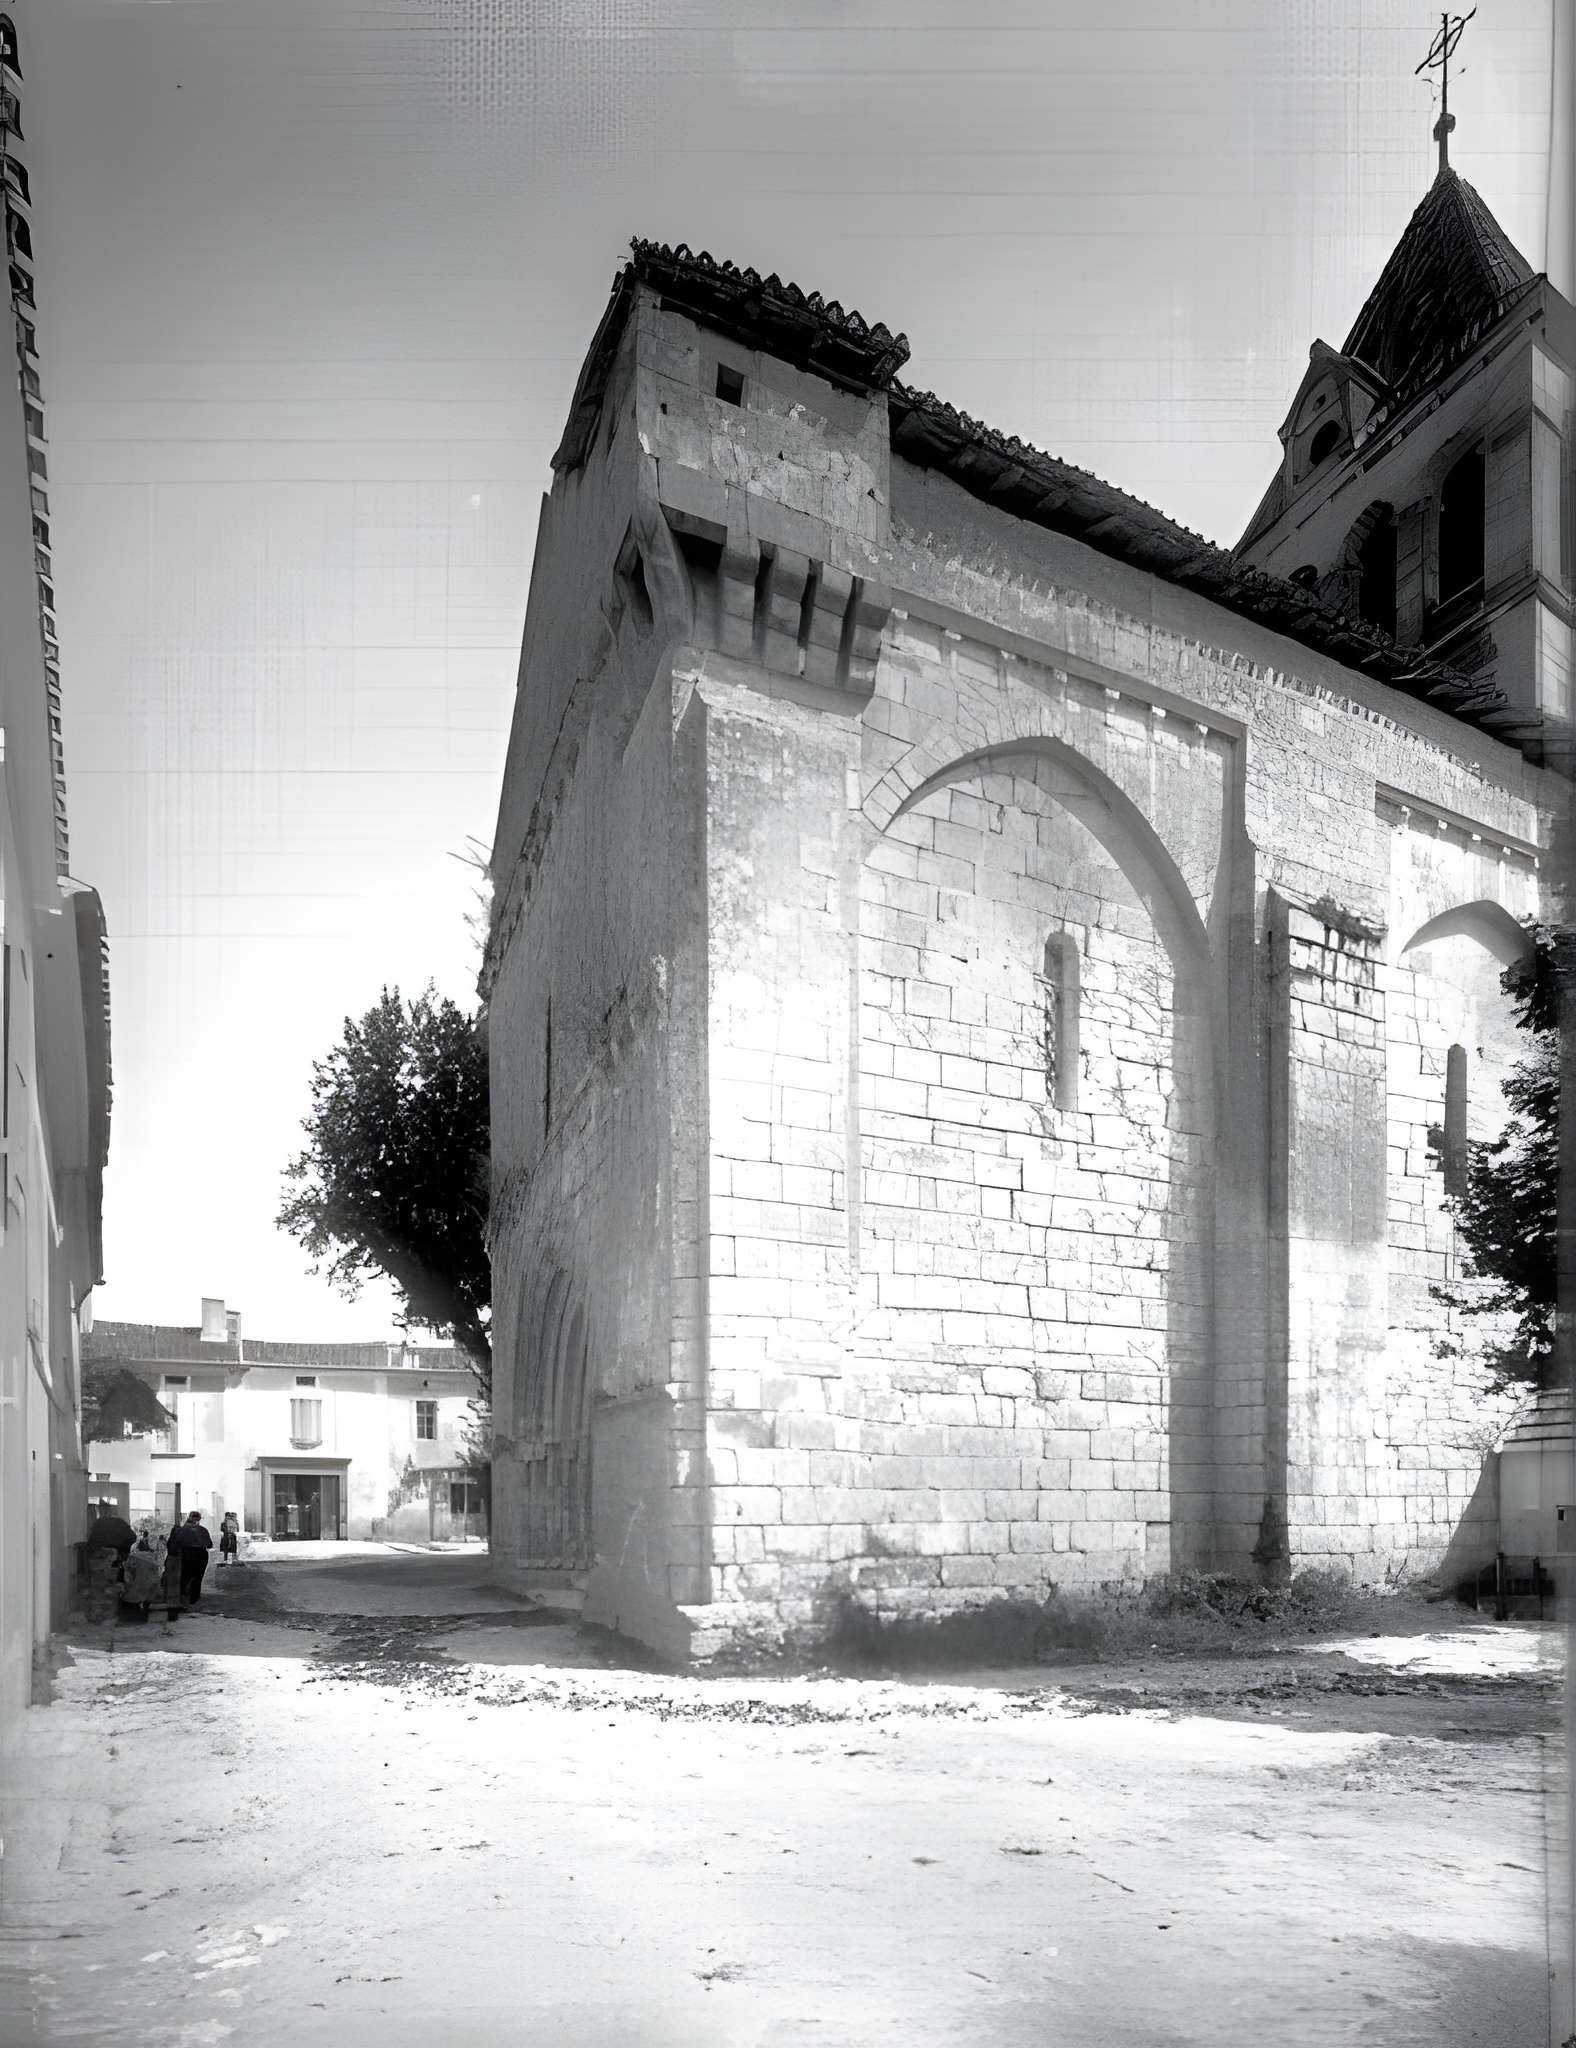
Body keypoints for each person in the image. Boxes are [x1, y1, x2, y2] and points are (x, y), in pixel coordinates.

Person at [176, 1511, 213, 1605]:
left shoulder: (182, 1530)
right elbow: (209, 1545)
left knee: (185, 1576)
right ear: (199, 1519)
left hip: (187, 1554)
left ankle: (182, 1598)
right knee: (198, 1577)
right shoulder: (203, 1530)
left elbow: (177, 1543)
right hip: (201, 1554)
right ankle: (194, 1598)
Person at [121, 1536, 161, 1620]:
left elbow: (128, 1575)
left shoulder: (133, 1557)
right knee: (147, 1597)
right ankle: (144, 1613)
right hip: (150, 1583)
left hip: (138, 1585)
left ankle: (136, 1613)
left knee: (135, 1598)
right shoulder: (152, 1560)